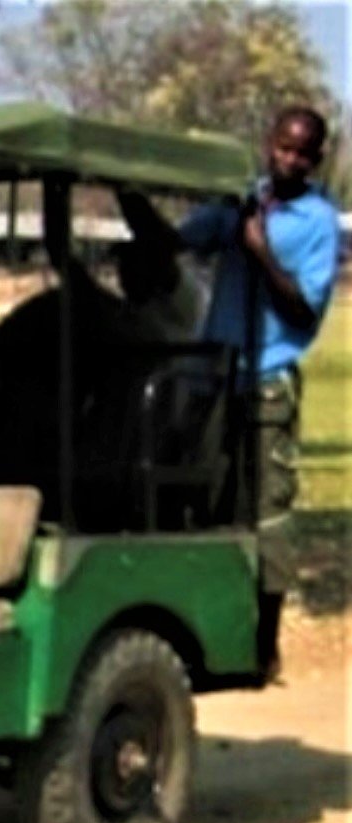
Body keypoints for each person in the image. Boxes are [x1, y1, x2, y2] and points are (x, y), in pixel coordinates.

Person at [175, 105, 340, 677]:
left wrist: (261, 250)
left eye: (302, 152)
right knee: (204, 497)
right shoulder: (238, 199)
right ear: (268, 144)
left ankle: (265, 646)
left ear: (315, 158)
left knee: (268, 513)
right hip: (216, 373)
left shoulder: (317, 221)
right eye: (283, 147)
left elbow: (302, 307)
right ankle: (207, 633)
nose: (289, 159)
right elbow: (181, 241)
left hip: (268, 375)